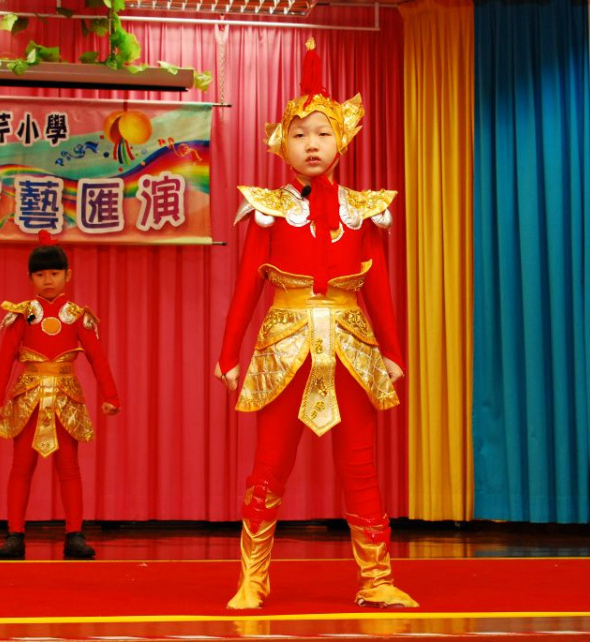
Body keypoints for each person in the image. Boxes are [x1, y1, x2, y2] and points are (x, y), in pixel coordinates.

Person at [214, 39, 418, 610]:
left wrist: (392, 352)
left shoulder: (363, 209)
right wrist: (229, 353)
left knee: (360, 465)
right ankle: (252, 579)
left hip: (352, 347)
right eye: (300, 133)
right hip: (285, 346)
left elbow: (378, 287)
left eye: (323, 133)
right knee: (269, 465)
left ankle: (376, 579)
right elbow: (248, 287)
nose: (311, 143)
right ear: (282, 143)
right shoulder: (269, 209)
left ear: (341, 140)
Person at [0, 231, 120, 560]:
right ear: (30, 278)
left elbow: (97, 357)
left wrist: (111, 395)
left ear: (67, 275)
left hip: (65, 397)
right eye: (40, 275)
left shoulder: (77, 315)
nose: (48, 280)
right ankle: (15, 535)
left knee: (69, 468)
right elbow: (5, 357)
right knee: (21, 468)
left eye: (54, 273)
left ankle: (75, 535)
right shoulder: (22, 315)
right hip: (27, 397)